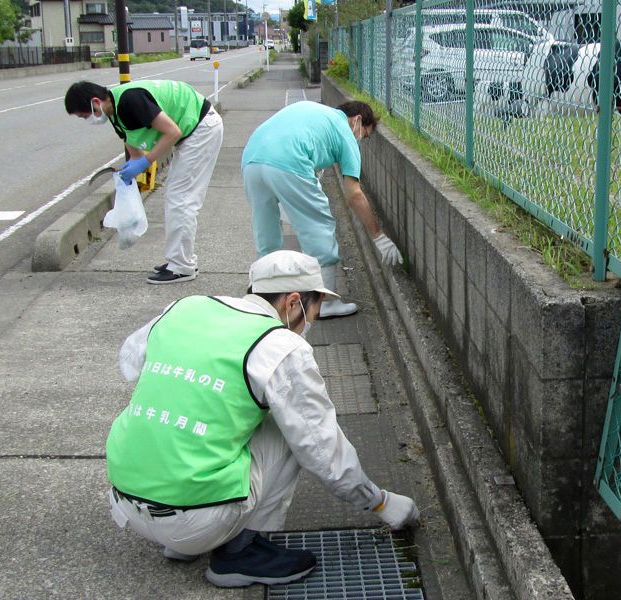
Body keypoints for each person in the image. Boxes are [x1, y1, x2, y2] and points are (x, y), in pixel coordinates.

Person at [106, 250, 420, 588]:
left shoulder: (185, 307)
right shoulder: (278, 345)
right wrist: (379, 503)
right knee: (289, 422)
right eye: (314, 310)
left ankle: (183, 543)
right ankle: (239, 554)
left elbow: (131, 363)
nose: (311, 322)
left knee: (214, 408)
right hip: (198, 519)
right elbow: (322, 449)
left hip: (125, 499)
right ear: (294, 302)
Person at [242, 100, 403, 319]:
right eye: (364, 135)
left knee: (266, 230)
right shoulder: (346, 134)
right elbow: (354, 195)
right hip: (289, 162)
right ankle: (325, 304)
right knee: (319, 227)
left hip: (252, 158)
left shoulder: (313, 110)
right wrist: (379, 237)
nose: (360, 140)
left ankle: (264, 298)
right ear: (357, 120)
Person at [65, 80, 223, 284]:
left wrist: (145, 162)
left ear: (95, 101)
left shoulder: (131, 99)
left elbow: (173, 132)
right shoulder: (116, 114)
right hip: (193, 132)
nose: (87, 120)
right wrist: (128, 173)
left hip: (201, 128)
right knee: (176, 196)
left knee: (180, 199)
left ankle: (182, 267)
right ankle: (180, 260)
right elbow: (134, 151)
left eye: (85, 115)